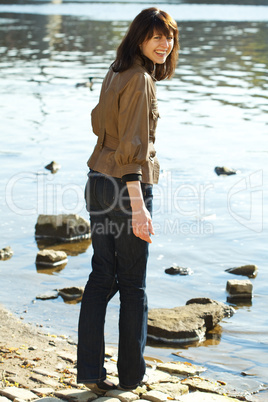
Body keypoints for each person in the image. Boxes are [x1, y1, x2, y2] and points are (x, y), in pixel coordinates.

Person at [77, 7, 179, 392]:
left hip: (97, 181)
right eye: (156, 37)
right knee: (133, 284)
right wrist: (139, 208)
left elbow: (99, 124)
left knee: (102, 276)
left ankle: (89, 372)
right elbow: (133, 152)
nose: (165, 44)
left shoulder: (115, 71)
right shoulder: (140, 81)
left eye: (169, 37)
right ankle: (132, 376)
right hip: (124, 188)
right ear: (140, 39)